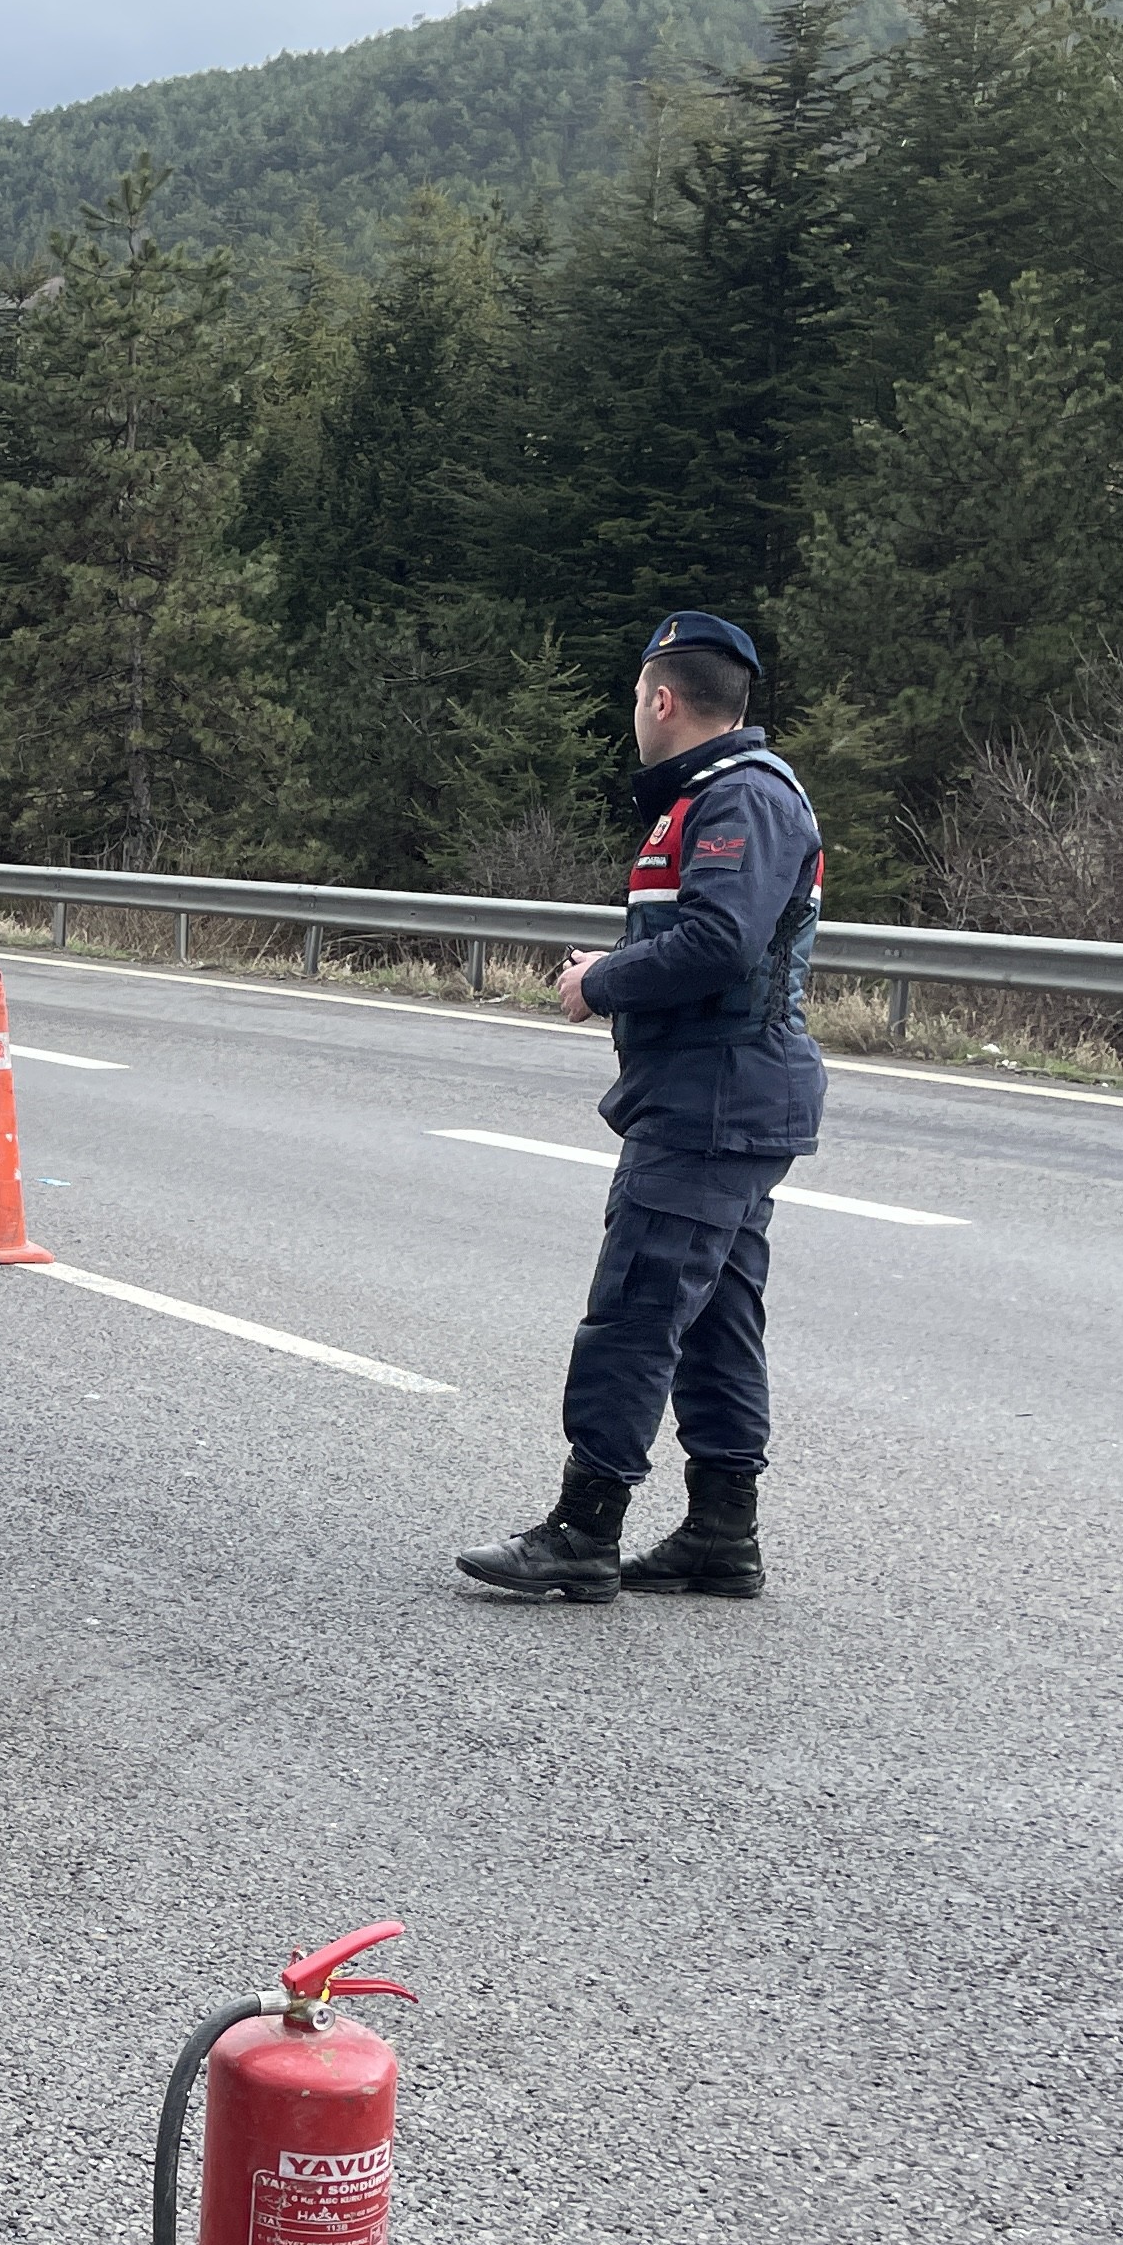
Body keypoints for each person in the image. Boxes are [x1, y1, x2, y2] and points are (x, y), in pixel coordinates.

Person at [461, 612, 826, 1604]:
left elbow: (719, 942)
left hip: (716, 1095)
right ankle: (720, 1533)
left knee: (637, 1308)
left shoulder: (741, 800)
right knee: (713, 1320)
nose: (634, 714)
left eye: (634, 698)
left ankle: (583, 1532)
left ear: (661, 699)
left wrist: (604, 979)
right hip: (721, 1091)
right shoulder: (716, 797)